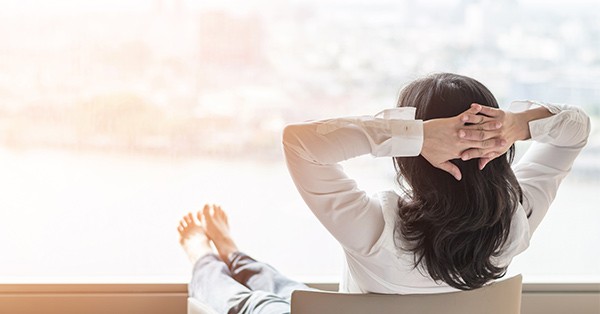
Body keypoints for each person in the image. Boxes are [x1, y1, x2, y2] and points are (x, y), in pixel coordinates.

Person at [179, 72, 590, 312]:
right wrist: (518, 124)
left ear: (411, 157)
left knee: (250, 303)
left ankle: (205, 255)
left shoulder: (376, 230)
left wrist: (414, 136)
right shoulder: (518, 222)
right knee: (289, 288)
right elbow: (576, 131)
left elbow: (299, 142)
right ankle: (235, 254)